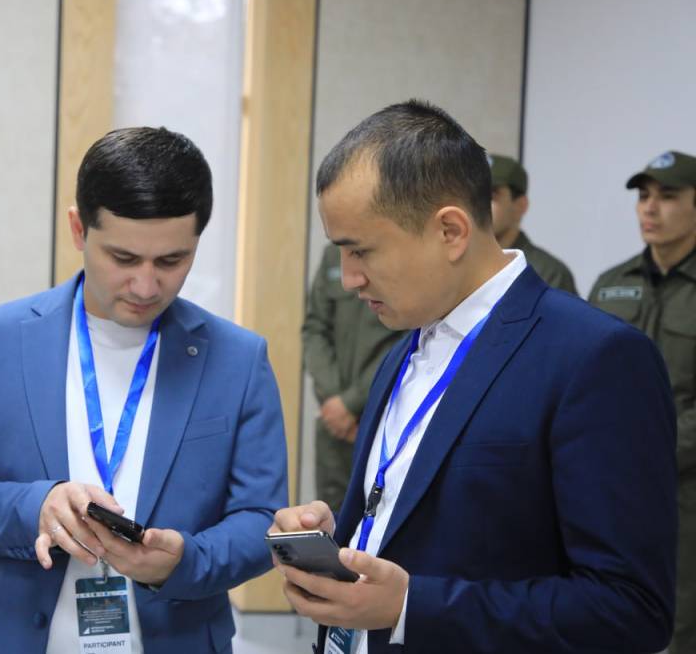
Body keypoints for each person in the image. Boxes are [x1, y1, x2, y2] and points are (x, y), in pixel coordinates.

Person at [271, 100, 677, 654]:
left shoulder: (594, 358)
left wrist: (412, 608)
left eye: (360, 251)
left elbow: (630, 609)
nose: (348, 279)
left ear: (451, 231)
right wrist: (335, 540)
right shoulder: (404, 349)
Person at [0, 127, 288, 653]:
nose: (146, 286)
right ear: (78, 229)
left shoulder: (238, 360)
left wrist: (184, 561)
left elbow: (262, 519)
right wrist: (35, 506)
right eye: (124, 258)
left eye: (172, 261)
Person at [589, 150, 696, 653]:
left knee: (680, 622)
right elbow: (582, 381)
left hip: (684, 491)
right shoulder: (612, 284)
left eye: (668, 196)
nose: (650, 208)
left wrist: (649, 455)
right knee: (606, 611)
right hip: (607, 486)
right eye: (644, 196)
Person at [302, 245, 402, 512]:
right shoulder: (333, 253)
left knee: (380, 517)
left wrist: (351, 402)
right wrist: (334, 402)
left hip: (383, 414)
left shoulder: (398, 248)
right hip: (334, 425)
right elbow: (314, 329)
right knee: (329, 521)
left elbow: (410, 335)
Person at [488, 153, 577, 294]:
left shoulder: (547, 273)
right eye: (473, 197)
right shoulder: (459, 267)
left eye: (491, 197)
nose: (478, 205)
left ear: (520, 205)